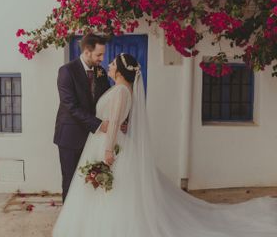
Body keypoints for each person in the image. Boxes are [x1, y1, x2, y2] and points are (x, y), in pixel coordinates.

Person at [53, 53, 277, 237]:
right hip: (105, 142)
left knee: (112, 190)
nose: (108, 67)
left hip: (108, 145)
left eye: (112, 64)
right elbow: (120, 122)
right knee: (109, 190)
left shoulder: (121, 91)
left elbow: (112, 125)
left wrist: (109, 151)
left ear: (120, 71)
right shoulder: (124, 90)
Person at [53, 33, 111, 202]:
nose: (102, 58)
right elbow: (71, 106)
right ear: (87, 51)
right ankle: (68, 224)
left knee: (91, 181)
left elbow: (108, 98)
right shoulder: (66, 71)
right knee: (70, 181)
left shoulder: (100, 71)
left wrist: (119, 118)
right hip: (70, 137)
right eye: (99, 55)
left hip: (93, 138)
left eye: (103, 54)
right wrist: (99, 124)